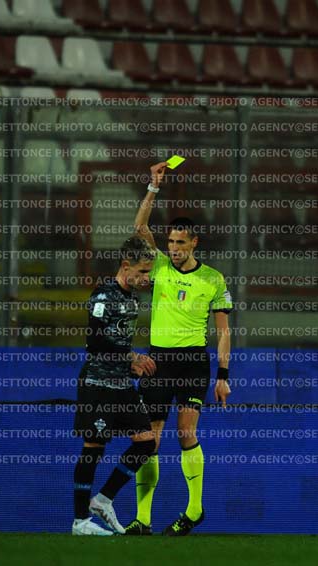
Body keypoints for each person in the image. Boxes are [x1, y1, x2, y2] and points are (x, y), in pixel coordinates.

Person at [128, 162, 233, 536]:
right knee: (149, 438)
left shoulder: (213, 279)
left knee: (185, 432)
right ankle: (142, 519)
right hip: (158, 361)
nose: (173, 249)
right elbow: (139, 228)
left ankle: (194, 509)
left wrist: (222, 375)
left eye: (180, 243)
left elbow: (223, 332)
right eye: (170, 242)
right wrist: (153, 186)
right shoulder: (158, 266)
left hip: (192, 363)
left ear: (194, 244)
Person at [72, 236, 158, 536]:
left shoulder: (132, 299)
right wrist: (131, 356)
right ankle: (80, 521)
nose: (147, 278)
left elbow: (117, 341)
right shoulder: (103, 295)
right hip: (98, 383)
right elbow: (94, 342)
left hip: (121, 383)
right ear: (125, 266)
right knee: (94, 447)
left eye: (149, 272)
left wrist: (129, 364)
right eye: (143, 271)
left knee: (146, 441)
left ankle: (103, 500)